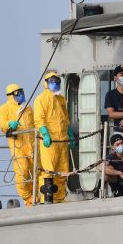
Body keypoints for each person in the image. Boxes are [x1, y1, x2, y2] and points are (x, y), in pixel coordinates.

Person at [34, 71, 72, 203]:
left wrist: (70, 133)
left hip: (62, 140)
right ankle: (47, 198)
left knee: (62, 171)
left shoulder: (61, 99)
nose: (55, 83)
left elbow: (65, 119)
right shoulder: (41, 99)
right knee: (48, 170)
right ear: (46, 83)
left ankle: (60, 198)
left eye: (56, 81)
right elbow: (39, 119)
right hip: (49, 141)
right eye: (51, 81)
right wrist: (45, 134)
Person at [0, 84, 36, 206]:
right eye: (17, 93)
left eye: (21, 92)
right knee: (22, 171)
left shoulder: (28, 108)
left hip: (32, 145)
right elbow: (3, 125)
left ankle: (39, 195)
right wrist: (9, 124)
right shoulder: (3, 109)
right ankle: (28, 197)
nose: (20, 95)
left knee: (37, 171)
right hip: (18, 146)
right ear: (10, 96)